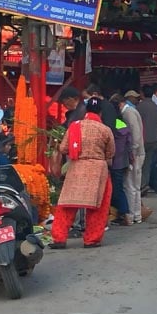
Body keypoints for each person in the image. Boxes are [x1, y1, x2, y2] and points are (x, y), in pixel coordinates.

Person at [50, 97, 115, 248]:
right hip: (98, 170)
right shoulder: (105, 130)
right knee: (97, 206)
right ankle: (91, 239)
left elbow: (64, 148)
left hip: (76, 168)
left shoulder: (74, 126)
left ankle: (59, 238)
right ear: (100, 112)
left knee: (67, 205)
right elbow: (111, 153)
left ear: (86, 111)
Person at [116, 90, 146, 224]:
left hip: (136, 153)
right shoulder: (132, 111)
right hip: (138, 152)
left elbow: (136, 134)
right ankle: (137, 216)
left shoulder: (128, 113)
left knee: (130, 186)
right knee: (135, 186)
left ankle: (133, 215)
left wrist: (131, 151)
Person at [109, 105, 133, 226]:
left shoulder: (112, 125)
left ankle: (124, 213)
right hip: (124, 160)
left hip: (115, 161)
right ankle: (123, 213)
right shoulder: (122, 124)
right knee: (120, 187)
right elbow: (129, 142)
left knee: (117, 189)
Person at [137, 86, 157, 194]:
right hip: (154, 139)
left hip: (142, 139)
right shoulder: (156, 107)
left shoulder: (139, 107)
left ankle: (140, 186)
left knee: (139, 164)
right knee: (148, 164)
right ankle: (144, 185)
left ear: (142, 93)